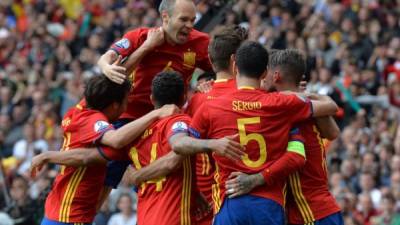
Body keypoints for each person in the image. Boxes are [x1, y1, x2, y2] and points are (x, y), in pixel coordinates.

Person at [31, 72, 243, 225]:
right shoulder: (176, 122)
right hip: (172, 216)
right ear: (183, 98)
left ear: (152, 99)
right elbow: (174, 156)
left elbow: (89, 156)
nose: (126, 109)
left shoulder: (131, 134)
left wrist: (50, 156)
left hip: (144, 216)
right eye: (125, 102)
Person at [172, 41, 338, 225]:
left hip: (230, 201)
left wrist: (213, 144)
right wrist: (300, 95)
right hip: (270, 205)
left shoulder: (209, 105)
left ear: (235, 66)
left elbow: (179, 144)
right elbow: (329, 117)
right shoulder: (282, 105)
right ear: (265, 72)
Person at [32, 75, 177, 225]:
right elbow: (111, 142)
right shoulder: (94, 120)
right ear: (115, 105)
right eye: (126, 101)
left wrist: (110, 67)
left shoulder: (78, 109)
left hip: (59, 208)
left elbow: (110, 82)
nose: (127, 107)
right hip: (71, 213)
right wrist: (156, 113)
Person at [225, 49, 344, 225]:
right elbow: (333, 131)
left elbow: (298, 156)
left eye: (265, 73)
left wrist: (255, 180)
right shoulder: (307, 106)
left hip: (309, 213)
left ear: (276, 75)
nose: (262, 78)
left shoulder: (282, 107)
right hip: (322, 208)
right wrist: (309, 95)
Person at [98, 0, 212, 120]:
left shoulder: (200, 42)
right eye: (183, 19)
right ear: (165, 17)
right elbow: (106, 58)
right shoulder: (140, 37)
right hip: (130, 117)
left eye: (192, 20)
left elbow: (221, 69)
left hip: (170, 116)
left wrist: (206, 82)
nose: (189, 25)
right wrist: (106, 66)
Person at [184, 25, 247, 225]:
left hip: (212, 194)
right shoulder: (259, 94)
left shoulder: (199, 100)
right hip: (258, 190)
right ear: (237, 60)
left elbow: (185, 147)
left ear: (210, 61)